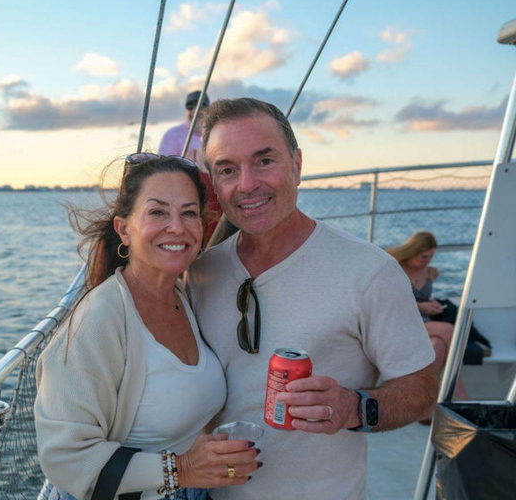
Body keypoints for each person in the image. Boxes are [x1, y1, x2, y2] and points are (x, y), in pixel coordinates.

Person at [186, 98, 439, 500]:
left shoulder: (369, 271)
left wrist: (355, 408)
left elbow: (422, 388)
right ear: (214, 184)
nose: (247, 183)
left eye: (264, 160)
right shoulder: (202, 273)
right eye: (228, 170)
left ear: (297, 164)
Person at [35, 154, 260, 500]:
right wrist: (182, 468)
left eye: (188, 213)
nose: (177, 227)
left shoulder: (183, 296)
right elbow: (64, 458)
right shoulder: (97, 322)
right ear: (124, 229)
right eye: (158, 212)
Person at [387, 232, 492, 382]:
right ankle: (457, 390)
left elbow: (422, 297)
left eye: (431, 257)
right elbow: (390, 302)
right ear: (412, 252)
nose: (428, 261)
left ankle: (434, 390)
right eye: (424, 257)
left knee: (439, 345)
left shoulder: (431, 272)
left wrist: (432, 304)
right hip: (402, 320)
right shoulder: (396, 269)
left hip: (425, 321)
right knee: (447, 330)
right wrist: (421, 307)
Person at [159, 91, 223, 242]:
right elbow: (162, 169)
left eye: (201, 106)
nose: (195, 110)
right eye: (190, 106)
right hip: (184, 195)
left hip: (217, 199)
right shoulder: (173, 134)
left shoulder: (218, 134)